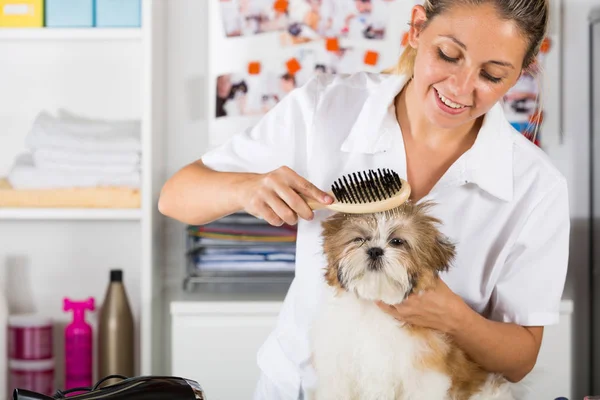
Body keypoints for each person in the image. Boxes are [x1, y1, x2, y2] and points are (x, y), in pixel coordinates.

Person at [158, 0, 569, 399]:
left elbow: (520, 359)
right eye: (448, 54)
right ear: (417, 28)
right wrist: (245, 188)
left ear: (517, 76)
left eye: (492, 75)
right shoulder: (326, 108)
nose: (461, 88)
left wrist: (454, 316)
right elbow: (176, 196)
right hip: (300, 388)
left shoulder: (536, 186)